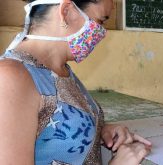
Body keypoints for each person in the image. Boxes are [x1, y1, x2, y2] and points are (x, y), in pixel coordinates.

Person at [0, 0, 151, 164]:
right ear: (67, 11)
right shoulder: (10, 78)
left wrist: (98, 130)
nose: (102, 32)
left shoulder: (60, 70)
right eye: (101, 21)